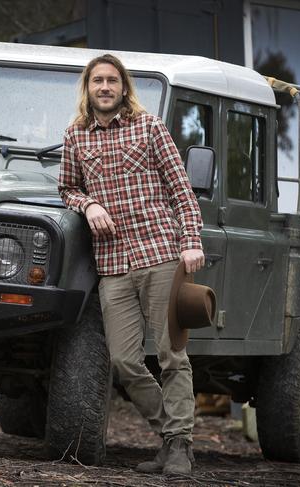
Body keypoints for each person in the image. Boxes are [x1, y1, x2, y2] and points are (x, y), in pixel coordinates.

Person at [58, 53, 204, 475]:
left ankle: (178, 448)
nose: (104, 87)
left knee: (172, 354)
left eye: (112, 81)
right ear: (88, 88)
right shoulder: (75, 136)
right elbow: (67, 187)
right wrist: (88, 204)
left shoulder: (150, 128)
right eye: (97, 81)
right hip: (114, 264)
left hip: (160, 254)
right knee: (123, 360)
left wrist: (191, 242)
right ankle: (171, 436)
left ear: (124, 87)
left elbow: (182, 191)